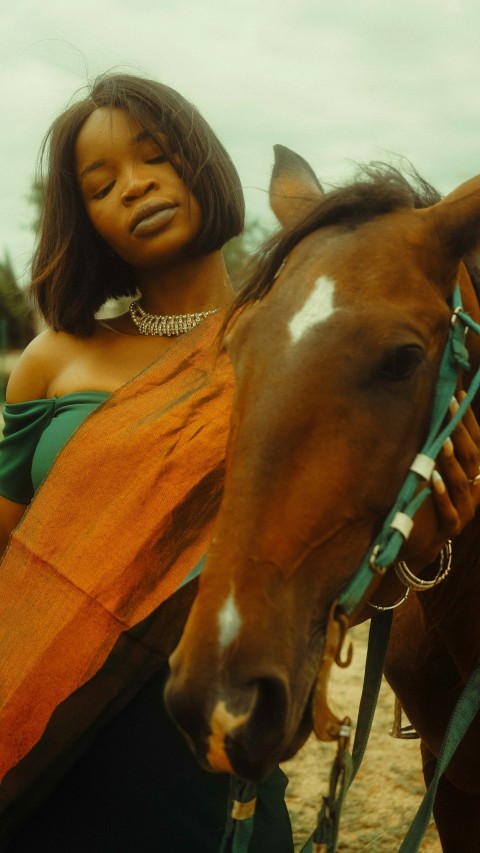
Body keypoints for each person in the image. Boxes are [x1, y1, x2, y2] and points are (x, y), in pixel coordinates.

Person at [0, 71, 477, 852]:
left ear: (204, 164)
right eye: (100, 182)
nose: (135, 186)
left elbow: (320, 575)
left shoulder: (290, 354)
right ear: (82, 216)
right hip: (41, 738)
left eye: (156, 156)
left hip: (209, 735)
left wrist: (421, 555)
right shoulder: (54, 359)